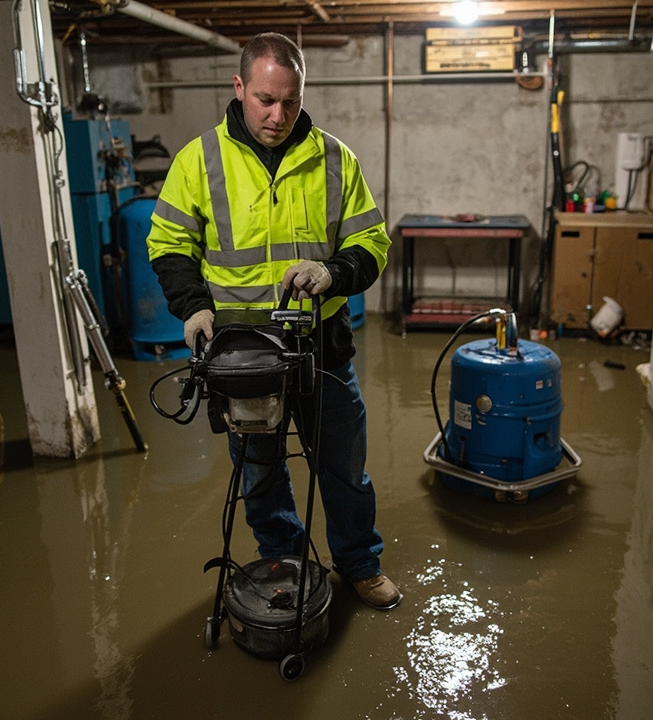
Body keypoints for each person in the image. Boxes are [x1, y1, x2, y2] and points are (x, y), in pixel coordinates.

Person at [146, 32, 400, 610]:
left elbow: (372, 242)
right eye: (265, 99)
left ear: (302, 91)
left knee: (344, 469)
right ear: (239, 88)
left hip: (322, 347)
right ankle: (286, 561)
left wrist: (333, 273)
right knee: (260, 476)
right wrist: (193, 306)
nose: (277, 115)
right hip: (240, 355)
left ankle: (359, 564)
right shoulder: (199, 159)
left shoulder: (335, 159)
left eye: (289, 100)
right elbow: (168, 243)